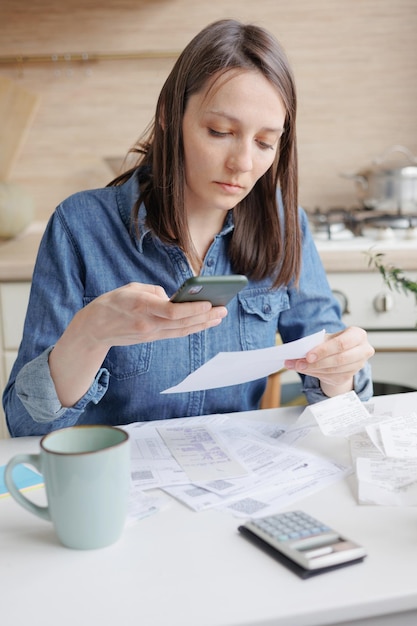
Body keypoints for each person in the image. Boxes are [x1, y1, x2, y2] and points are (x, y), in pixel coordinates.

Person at [3, 19, 374, 437]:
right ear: (168, 116)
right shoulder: (80, 227)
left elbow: (343, 405)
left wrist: (340, 372)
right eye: (220, 132)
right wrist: (89, 336)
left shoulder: (285, 225)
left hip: (233, 478)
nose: (243, 163)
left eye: (265, 142)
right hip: (116, 485)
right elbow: (22, 425)